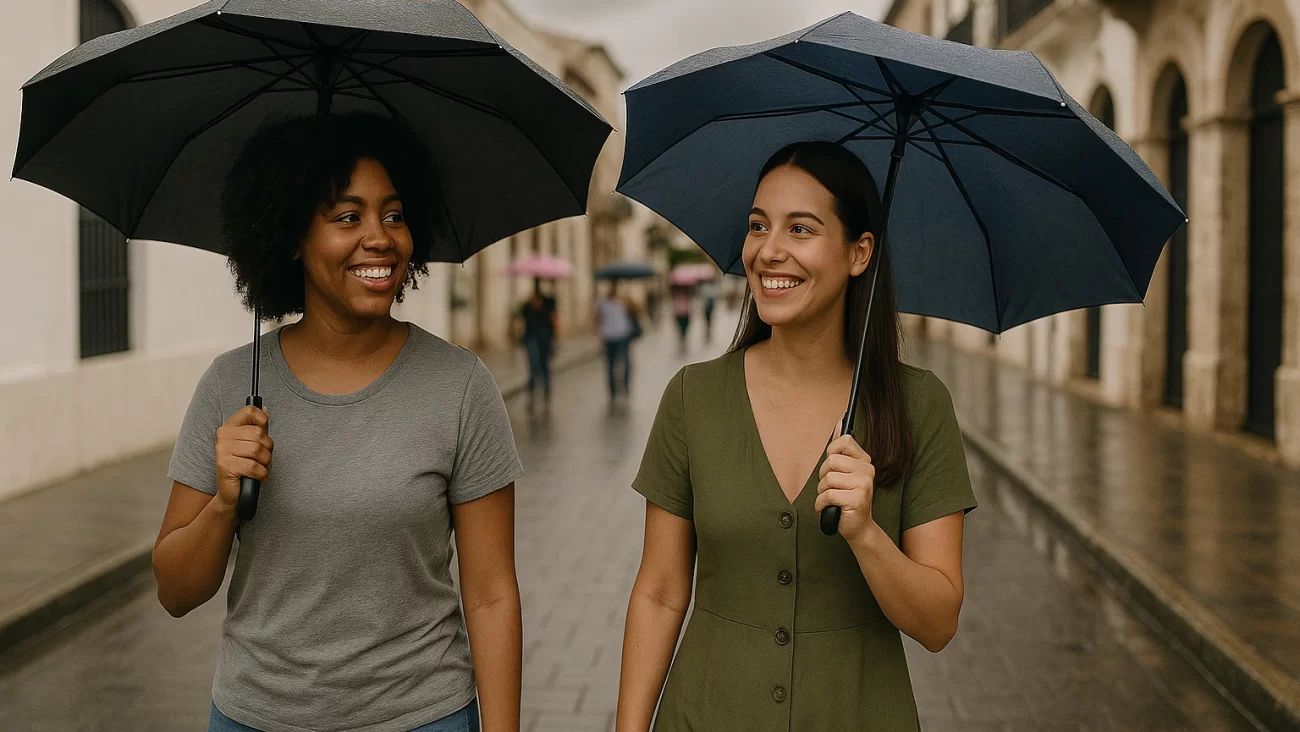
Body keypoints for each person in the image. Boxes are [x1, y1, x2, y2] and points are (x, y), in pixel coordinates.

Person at [153, 114, 523, 732]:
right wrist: (221, 506)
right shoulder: (230, 385)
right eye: (346, 216)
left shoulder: (460, 386)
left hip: (420, 716)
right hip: (255, 716)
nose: (379, 238)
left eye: (394, 215)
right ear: (292, 234)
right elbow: (174, 592)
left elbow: (490, 594)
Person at [616, 141, 977, 732]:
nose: (769, 250)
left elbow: (939, 624)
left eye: (801, 229)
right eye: (758, 226)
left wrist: (865, 534)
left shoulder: (919, 405)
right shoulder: (694, 397)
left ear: (860, 253)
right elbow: (658, 591)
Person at [518, 279, 558, 411]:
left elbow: (554, 319)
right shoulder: (527, 305)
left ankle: (546, 391)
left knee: (545, 365)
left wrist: (555, 337)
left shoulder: (549, 302)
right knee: (533, 366)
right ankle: (532, 393)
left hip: (545, 339)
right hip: (531, 339)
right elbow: (522, 321)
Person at [596, 280, 636, 402]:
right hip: (609, 337)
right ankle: (613, 390)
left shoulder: (623, 301)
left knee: (625, 362)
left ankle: (624, 385)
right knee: (611, 364)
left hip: (622, 335)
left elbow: (636, 311)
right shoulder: (602, 303)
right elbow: (598, 319)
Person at [697, 276, 720, 342]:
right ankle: (708, 329)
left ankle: (707, 330)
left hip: (708, 308)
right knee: (708, 320)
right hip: (708, 307)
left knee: (708, 320)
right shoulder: (710, 287)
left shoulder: (705, 287)